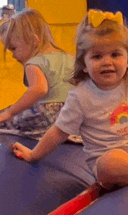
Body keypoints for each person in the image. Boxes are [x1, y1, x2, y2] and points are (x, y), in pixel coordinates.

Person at [10, 9, 128, 189]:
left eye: (115, 54)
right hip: (114, 163)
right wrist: (34, 155)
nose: (107, 62)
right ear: (84, 65)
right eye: (97, 56)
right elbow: (58, 132)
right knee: (109, 164)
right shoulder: (80, 96)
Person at [0, 8, 76, 140]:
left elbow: (39, 89)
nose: (13, 55)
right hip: (73, 118)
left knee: (6, 116)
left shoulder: (35, 62)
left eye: (13, 48)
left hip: (48, 119)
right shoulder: (71, 58)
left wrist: (10, 113)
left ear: (33, 41)